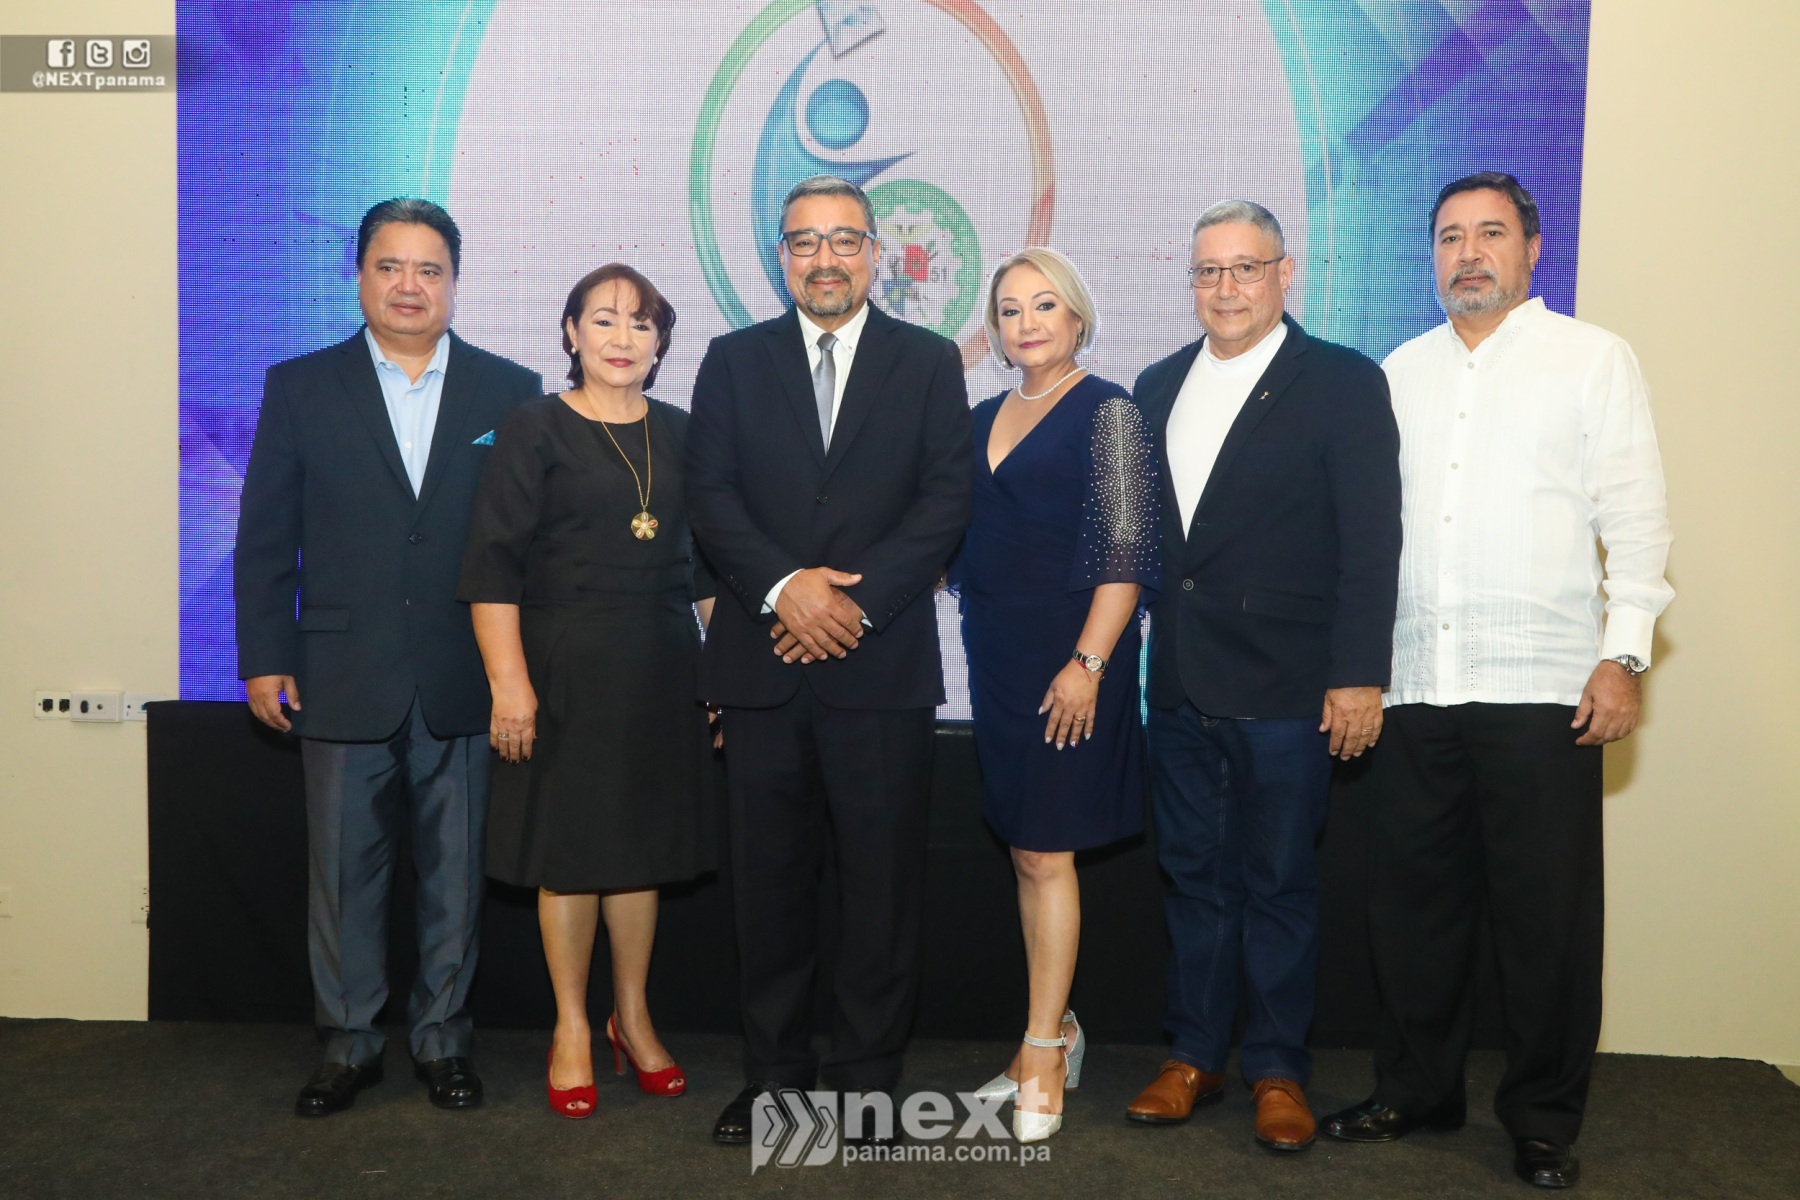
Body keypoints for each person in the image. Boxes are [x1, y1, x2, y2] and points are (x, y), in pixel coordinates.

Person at [1320, 172, 1673, 1191]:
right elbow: (1367, 537)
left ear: (1531, 248)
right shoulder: (1397, 373)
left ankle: (1543, 1119)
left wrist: (1625, 653)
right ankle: (1416, 1090)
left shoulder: (1592, 358)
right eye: (1449, 237)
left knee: (1545, 924)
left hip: (1544, 688)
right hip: (1416, 686)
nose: (1468, 253)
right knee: (1412, 915)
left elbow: (1637, 519)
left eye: (1490, 234)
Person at [234, 197, 541, 1117]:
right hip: (340, 671)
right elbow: (265, 535)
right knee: (343, 877)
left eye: (429, 269)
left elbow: (525, 544)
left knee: (455, 877)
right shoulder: (300, 385)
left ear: (455, 282)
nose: (410, 285)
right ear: (360, 275)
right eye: (390, 266)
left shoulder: (509, 388)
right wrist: (263, 654)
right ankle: (348, 1045)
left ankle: (443, 1042)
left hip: (462, 674)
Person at [685, 174, 972, 1146]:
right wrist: (785, 589)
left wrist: (850, 603)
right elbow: (710, 496)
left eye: (844, 240)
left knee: (881, 893)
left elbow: (945, 500)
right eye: (805, 241)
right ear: (782, 257)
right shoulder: (731, 360)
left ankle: (865, 1085)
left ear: (875, 254)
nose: (825, 258)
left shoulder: (928, 361)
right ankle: (773, 1081)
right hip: (760, 667)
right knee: (766, 891)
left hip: (879, 667)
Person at [1124, 200, 1402, 1151]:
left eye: (1246, 267)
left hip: (1291, 688)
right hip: (1181, 683)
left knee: (1280, 881)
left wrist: (1359, 674)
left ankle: (1278, 1069)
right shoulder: (1156, 385)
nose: (1227, 287)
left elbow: (1371, 541)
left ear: (1287, 273)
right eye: (1209, 270)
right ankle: (1192, 1056)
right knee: (1192, 878)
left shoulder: (1343, 381)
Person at [457, 264, 717, 1119]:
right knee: (568, 857)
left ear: (660, 342)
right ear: (571, 333)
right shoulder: (533, 426)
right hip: (562, 672)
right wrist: (510, 687)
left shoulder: (682, 433)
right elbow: (493, 567)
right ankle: (571, 1024)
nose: (621, 338)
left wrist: (722, 674)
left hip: (663, 671)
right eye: (603, 319)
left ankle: (631, 1018)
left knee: (640, 854)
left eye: (641, 323)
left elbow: (704, 569)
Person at [952, 248, 1159, 1143]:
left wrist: (1090, 663)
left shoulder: (1110, 409)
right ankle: (1052, 1027)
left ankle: (1042, 1050)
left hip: (1071, 662)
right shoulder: (979, 417)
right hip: (997, 658)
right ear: (995, 331)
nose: (1027, 322)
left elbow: (1128, 551)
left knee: (1047, 852)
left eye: (1045, 305)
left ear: (1077, 317)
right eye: (1010, 309)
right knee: (1027, 853)